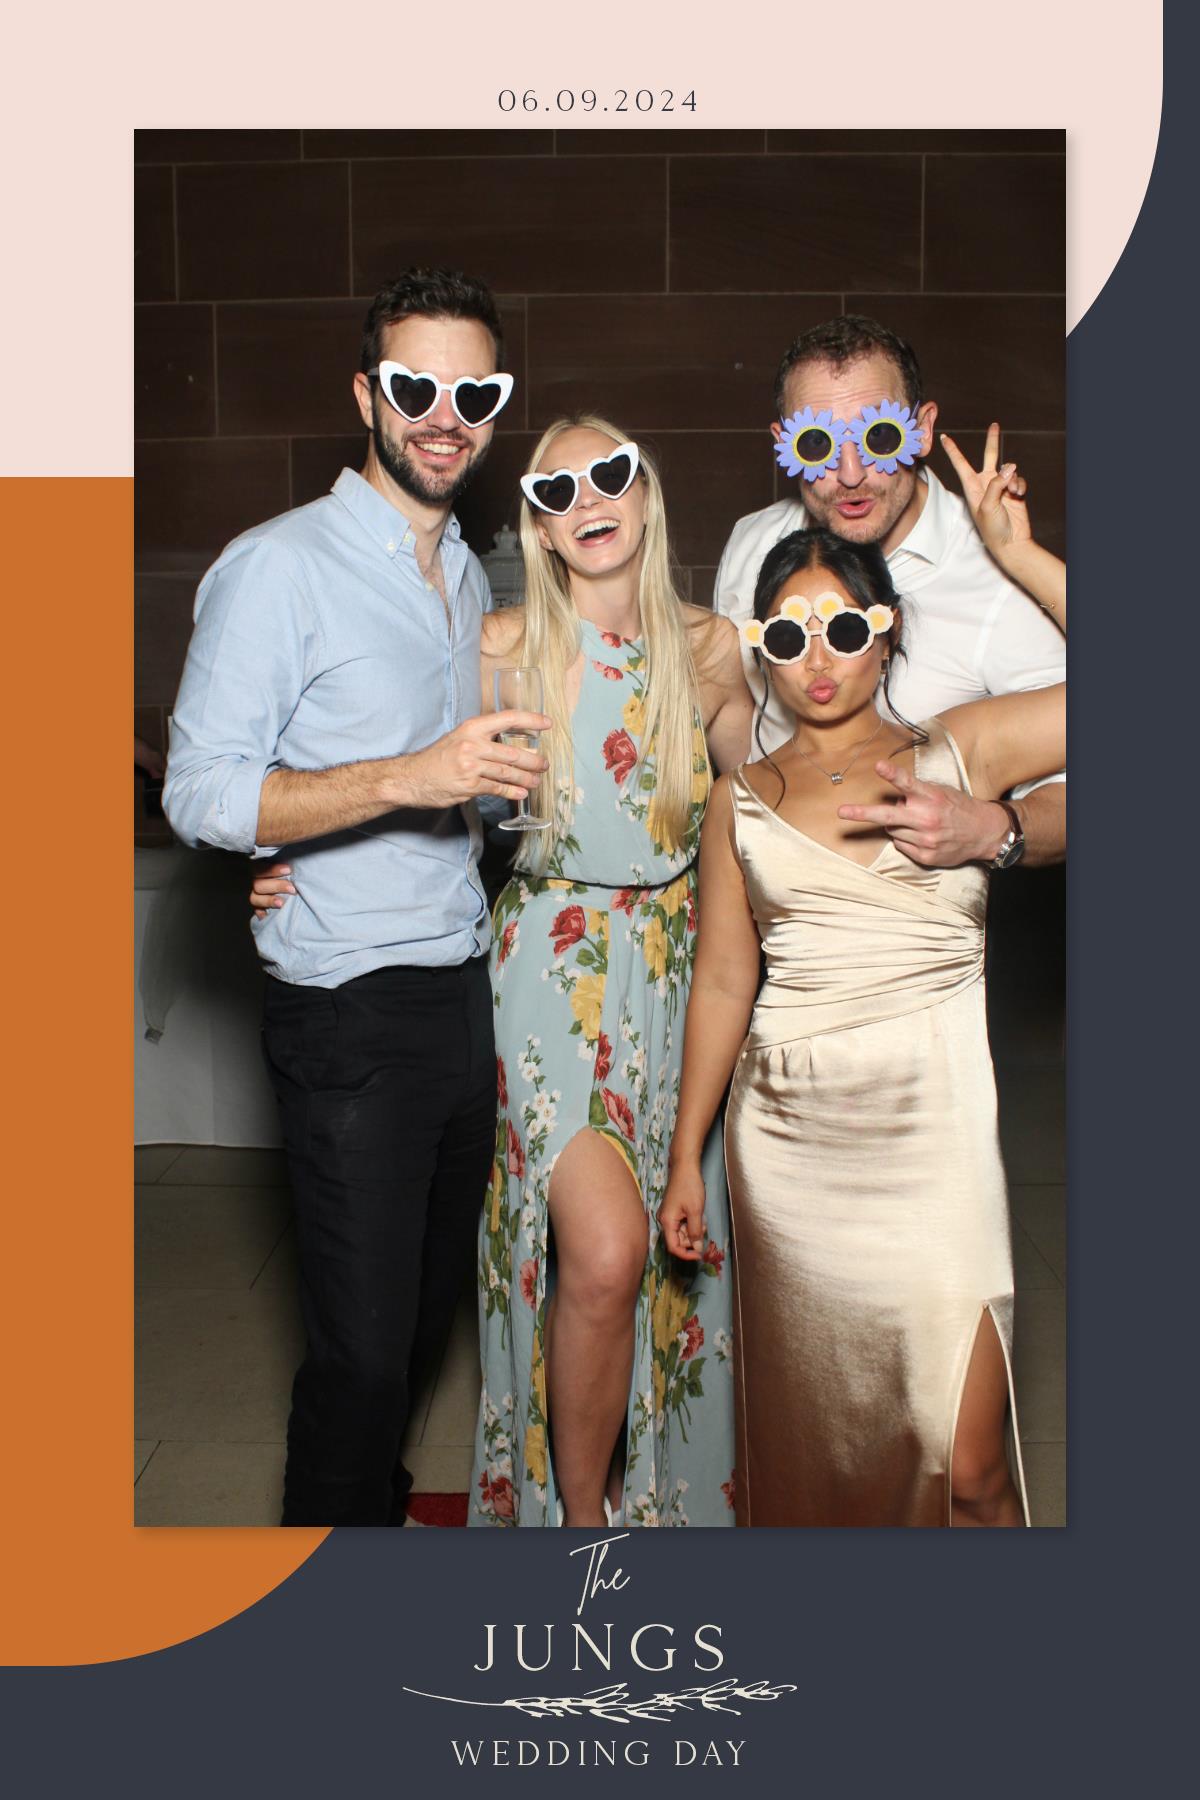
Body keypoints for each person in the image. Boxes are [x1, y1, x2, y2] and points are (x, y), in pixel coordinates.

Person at [163, 267, 550, 1528]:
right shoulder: (278, 567)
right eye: (415, 386)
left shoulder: (466, 580)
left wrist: (499, 800)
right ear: (366, 396)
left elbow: (447, 790)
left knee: (419, 1326)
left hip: (457, 989)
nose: (445, 415)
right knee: (360, 1359)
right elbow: (202, 791)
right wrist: (406, 778)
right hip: (344, 1009)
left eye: (473, 393)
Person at [659, 446, 1065, 1527]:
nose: (819, 659)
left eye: (843, 628)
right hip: (789, 1144)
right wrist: (687, 1156)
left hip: (936, 1139)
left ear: (886, 634)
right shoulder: (740, 798)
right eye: (788, 636)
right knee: (822, 1454)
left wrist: (1021, 556)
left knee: (970, 1464)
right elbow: (723, 982)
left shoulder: (963, 751)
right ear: (762, 653)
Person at [470, 417, 753, 1528]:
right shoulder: (501, 646)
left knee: (664, 1247)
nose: (588, 499)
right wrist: (286, 859)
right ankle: (579, 1527)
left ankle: (648, 1501)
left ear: (646, 492)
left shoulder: (712, 649)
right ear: (539, 527)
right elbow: (400, 767)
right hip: (550, 961)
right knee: (605, 1249)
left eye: (610, 475)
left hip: (678, 968)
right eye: (558, 489)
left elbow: (772, 797)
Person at [714, 314, 1065, 872]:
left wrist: (995, 830)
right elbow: (740, 726)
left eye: (878, 437)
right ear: (783, 444)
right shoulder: (751, 544)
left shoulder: (995, 582)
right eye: (818, 443)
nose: (851, 473)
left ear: (921, 429)